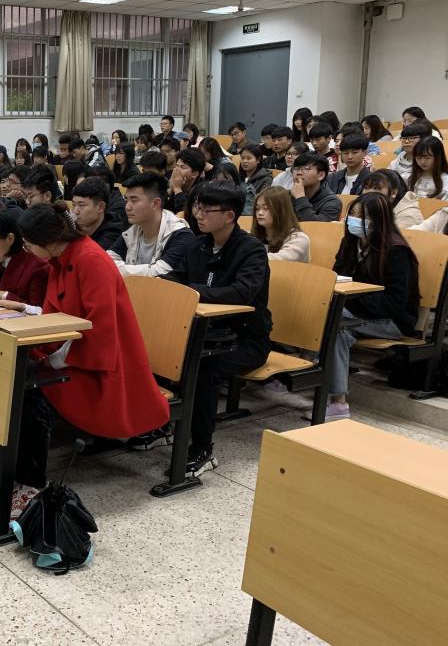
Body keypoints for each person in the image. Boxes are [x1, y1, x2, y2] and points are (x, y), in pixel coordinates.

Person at [0, 203, 169, 516]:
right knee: (8, 374)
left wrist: (49, 361)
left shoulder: (90, 259)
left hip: (101, 365)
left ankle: (32, 483)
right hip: (71, 353)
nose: (27, 251)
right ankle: (4, 464)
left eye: (29, 244)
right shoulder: (61, 258)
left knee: (33, 393)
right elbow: (55, 314)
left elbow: (98, 331)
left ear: (47, 240)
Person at [160, 182, 271, 474]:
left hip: (244, 340)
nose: (198, 214)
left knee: (204, 368)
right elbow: (177, 276)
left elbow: (241, 293)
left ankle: (202, 448)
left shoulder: (251, 250)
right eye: (197, 207)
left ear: (230, 215)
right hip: (204, 334)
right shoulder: (198, 244)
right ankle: (159, 425)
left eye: (206, 210)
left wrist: (192, 291)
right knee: (160, 352)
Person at [329, 193, 419, 420]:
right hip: (356, 312)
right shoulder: (350, 243)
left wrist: (352, 300)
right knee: (331, 321)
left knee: (335, 321)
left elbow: (395, 302)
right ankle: (325, 391)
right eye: (353, 214)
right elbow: (337, 276)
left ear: (380, 220)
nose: (355, 220)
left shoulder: (396, 251)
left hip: (392, 321)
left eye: (363, 216)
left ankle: (337, 401)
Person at [108, 172, 193, 277]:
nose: (127, 207)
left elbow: (160, 272)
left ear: (155, 203)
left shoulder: (181, 235)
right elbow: (108, 258)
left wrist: (116, 268)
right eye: (126, 200)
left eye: (134, 200)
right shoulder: (134, 228)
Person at [251, 187, 310, 262]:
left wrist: (247, 258)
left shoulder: (299, 239)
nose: (260, 213)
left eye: (266, 208)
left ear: (281, 211)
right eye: (257, 208)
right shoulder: (251, 237)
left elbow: (280, 261)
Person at [71, 176, 127, 250]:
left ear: (100, 207)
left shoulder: (112, 235)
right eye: (74, 205)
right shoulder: (73, 227)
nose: (75, 211)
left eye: (81, 205)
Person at [290, 153, 342, 222]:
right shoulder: (286, 195)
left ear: (321, 175)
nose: (299, 172)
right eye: (296, 168)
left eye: (306, 168)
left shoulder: (332, 202)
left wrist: (300, 198)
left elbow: (315, 226)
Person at [165, 148, 206, 215]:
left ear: (194, 174)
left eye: (183, 167)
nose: (177, 170)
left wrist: (177, 189)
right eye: (176, 166)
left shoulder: (201, 191)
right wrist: (170, 189)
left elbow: (187, 214)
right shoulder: (168, 177)